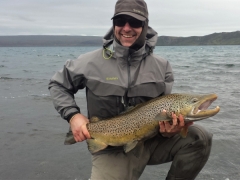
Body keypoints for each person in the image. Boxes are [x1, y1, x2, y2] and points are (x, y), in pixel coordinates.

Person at [48, 0, 212, 179]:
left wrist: (170, 129)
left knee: (200, 137)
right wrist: (73, 115)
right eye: (120, 21)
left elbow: (165, 110)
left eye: (134, 22)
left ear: (145, 25)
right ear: (114, 24)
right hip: (111, 149)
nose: (126, 28)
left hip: (152, 141)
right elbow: (58, 85)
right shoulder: (88, 63)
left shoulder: (162, 66)